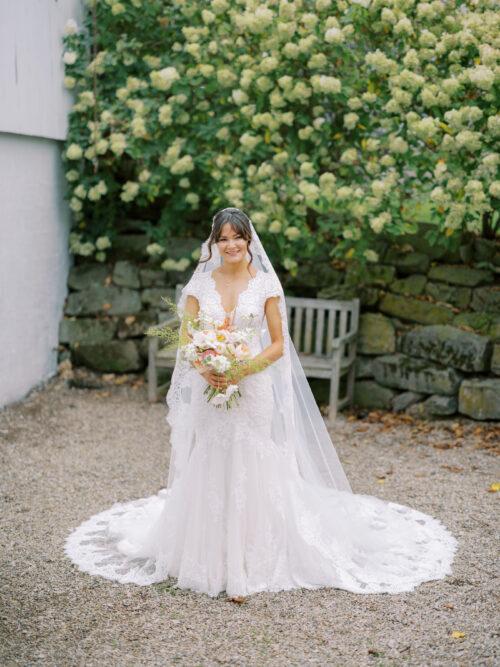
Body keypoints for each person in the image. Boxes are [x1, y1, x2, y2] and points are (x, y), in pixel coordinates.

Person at [64, 207, 458, 598]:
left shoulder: (266, 285)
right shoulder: (198, 288)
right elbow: (187, 340)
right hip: (210, 386)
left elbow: (277, 345)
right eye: (223, 238)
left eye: (238, 237)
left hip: (252, 389)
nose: (231, 244)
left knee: (252, 458)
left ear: (249, 240)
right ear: (214, 244)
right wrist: (209, 370)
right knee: (212, 458)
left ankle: (253, 561)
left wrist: (239, 371)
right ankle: (208, 558)